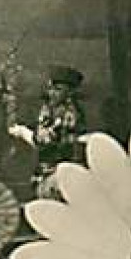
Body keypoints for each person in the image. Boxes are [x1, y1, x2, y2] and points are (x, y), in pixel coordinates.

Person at [26, 65, 86, 199]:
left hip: (62, 170)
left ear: (69, 92)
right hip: (46, 168)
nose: (52, 93)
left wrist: (28, 134)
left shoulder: (69, 113)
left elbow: (48, 139)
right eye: (50, 88)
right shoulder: (48, 109)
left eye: (58, 90)